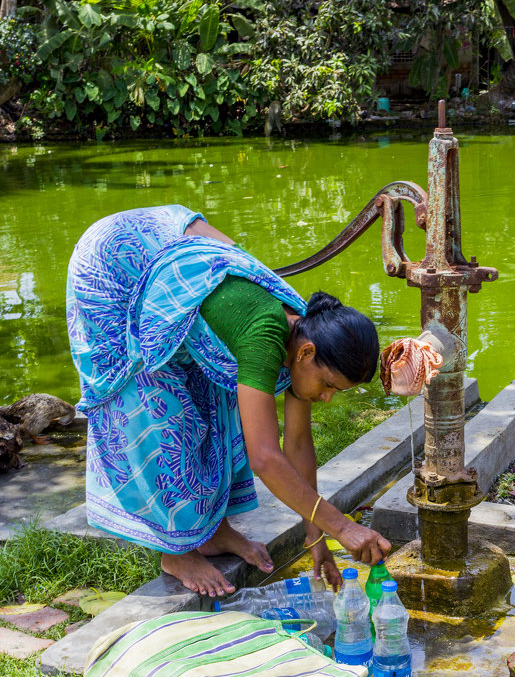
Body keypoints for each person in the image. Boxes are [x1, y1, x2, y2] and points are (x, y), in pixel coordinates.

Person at [66, 205, 391, 597]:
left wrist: (315, 538)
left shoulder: (308, 332)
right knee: (155, 401)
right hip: (117, 262)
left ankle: (212, 533)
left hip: (176, 244)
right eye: (328, 385)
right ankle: (174, 550)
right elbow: (266, 458)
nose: (325, 397)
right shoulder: (264, 338)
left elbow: (299, 445)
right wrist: (343, 526)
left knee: (217, 395)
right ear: (305, 354)